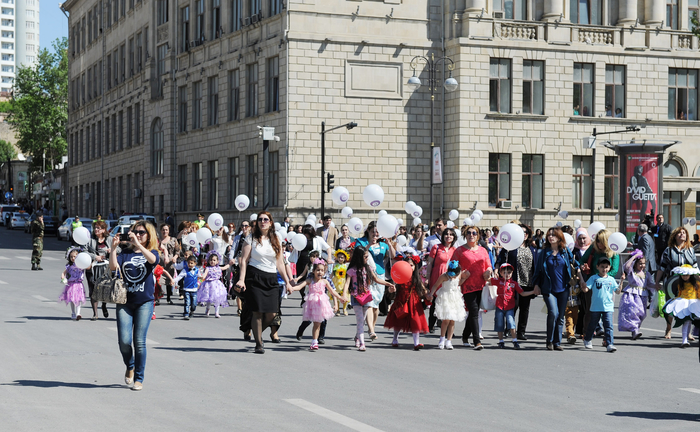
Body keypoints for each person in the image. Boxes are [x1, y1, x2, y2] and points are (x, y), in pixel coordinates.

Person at [109, 220, 160, 391]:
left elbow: (153, 260)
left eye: (142, 232)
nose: (138, 235)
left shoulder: (152, 251)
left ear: (148, 235)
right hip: (124, 301)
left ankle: (139, 378)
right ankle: (129, 365)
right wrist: (113, 248)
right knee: (124, 341)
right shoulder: (125, 252)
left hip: (145, 302)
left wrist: (138, 244)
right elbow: (113, 268)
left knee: (139, 341)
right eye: (135, 232)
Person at [234, 211, 293, 354]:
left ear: (271, 222)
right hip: (255, 276)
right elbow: (244, 261)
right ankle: (259, 343)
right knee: (258, 312)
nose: (263, 221)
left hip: (271, 278)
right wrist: (241, 279)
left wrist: (287, 282)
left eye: (266, 219)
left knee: (272, 313)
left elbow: (280, 263)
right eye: (260, 219)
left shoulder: (276, 238)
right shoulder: (251, 238)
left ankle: (253, 329)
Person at [533, 227, 581, 351]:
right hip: (548, 288)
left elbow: (575, 263)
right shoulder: (544, 252)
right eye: (549, 235)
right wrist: (536, 284)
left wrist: (581, 272)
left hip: (563, 288)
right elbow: (538, 270)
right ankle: (549, 340)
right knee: (553, 313)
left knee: (560, 316)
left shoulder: (564, 251)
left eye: (553, 235)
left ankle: (557, 342)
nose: (550, 237)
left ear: (559, 237)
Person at [342, 246, 395, 351]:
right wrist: (344, 295)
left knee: (362, 321)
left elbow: (376, 279)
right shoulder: (352, 270)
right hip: (356, 297)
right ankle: (362, 343)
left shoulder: (368, 268)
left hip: (367, 297)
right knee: (360, 320)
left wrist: (388, 284)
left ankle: (357, 337)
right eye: (365, 257)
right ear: (359, 257)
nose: (367, 259)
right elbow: (347, 283)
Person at [289, 259, 343, 351]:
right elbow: (300, 286)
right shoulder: (310, 280)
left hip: (321, 304)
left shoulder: (325, 281)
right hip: (312, 304)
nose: (320, 272)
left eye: (322, 270)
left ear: (324, 272)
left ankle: (315, 342)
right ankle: (313, 340)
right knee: (312, 323)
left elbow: (332, 291)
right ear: (313, 271)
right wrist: (292, 288)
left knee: (317, 324)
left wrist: (340, 298)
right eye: (318, 270)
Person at [354, 221, 396, 337]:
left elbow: (393, 256)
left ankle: (370, 327)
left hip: (380, 275)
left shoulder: (383, 244)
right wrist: (369, 246)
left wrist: (389, 243)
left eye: (377, 232)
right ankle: (372, 330)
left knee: (376, 304)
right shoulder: (361, 242)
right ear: (368, 231)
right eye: (373, 232)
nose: (375, 234)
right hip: (366, 274)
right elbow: (358, 254)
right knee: (370, 303)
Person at [497, 224, 538, 341]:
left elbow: (536, 265)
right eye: (521, 232)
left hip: (528, 282)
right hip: (514, 282)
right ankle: (509, 329)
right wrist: (497, 268)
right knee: (513, 306)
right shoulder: (511, 247)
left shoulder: (532, 248)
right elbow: (500, 259)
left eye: (526, 232)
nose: (524, 234)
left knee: (525, 308)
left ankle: (521, 332)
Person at [656, 227, 698, 339]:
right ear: (675, 236)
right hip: (672, 282)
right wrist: (657, 282)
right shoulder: (668, 250)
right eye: (679, 233)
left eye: (684, 233)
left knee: (688, 306)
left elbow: (695, 267)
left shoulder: (690, 250)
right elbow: (662, 267)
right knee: (671, 305)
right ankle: (668, 329)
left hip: (688, 283)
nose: (682, 234)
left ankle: (687, 332)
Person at [454, 225, 492, 349]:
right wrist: (462, 274)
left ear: (478, 236)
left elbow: (488, 265)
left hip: (481, 284)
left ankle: (465, 335)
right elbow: (452, 268)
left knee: (473, 313)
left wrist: (488, 271)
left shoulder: (483, 250)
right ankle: (477, 341)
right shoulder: (459, 250)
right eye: (469, 233)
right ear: (465, 235)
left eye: (474, 233)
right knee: (474, 310)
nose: (472, 235)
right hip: (467, 285)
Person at [579, 229, 619, 342]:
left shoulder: (613, 252)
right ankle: (586, 334)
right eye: (597, 241)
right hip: (592, 283)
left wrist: (603, 277)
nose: (598, 244)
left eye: (600, 241)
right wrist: (583, 266)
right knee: (589, 311)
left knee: (607, 313)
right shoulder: (593, 248)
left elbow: (614, 270)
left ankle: (607, 339)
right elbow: (582, 260)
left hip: (607, 285)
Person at [384, 253, 429, 349]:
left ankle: (416, 343)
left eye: (411, 265)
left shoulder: (416, 278)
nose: (409, 267)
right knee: (398, 321)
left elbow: (423, 289)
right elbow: (392, 289)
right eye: (407, 265)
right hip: (401, 301)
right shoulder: (399, 277)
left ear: (415, 267)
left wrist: (428, 295)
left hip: (414, 302)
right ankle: (395, 339)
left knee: (415, 321)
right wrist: (391, 290)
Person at [490, 263, 535, 349]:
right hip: (499, 306)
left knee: (511, 322)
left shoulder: (514, 283)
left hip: (509, 307)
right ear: (501, 273)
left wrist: (532, 292)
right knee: (499, 323)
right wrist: (489, 272)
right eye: (505, 272)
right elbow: (488, 280)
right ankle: (501, 341)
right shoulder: (498, 281)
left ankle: (514, 340)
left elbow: (522, 293)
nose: (507, 274)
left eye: (509, 272)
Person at [582, 257, 620, 352]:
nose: (604, 269)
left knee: (608, 325)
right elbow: (586, 289)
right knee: (593, 324)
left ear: (609, 267)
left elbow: (618, 291)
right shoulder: (594, 278)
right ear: (597, 267)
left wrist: (622, 280)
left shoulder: (611, 279)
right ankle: (587, 339)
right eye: (602, 267)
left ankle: (610, 344)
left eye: (606, 267)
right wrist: (583, 286)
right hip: (596, 307)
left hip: (608, 307)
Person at [428, 260, 467, 350]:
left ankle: (449, 341)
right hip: (445, 297)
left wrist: (464, 278)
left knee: (452, 320)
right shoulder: (444, 276)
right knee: (446, 320)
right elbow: (435, 285)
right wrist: (431, 294)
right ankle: (442, 339)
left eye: (455, 274)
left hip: (455, 297)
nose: (453, 276)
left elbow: (458, 283)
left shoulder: (459, 274)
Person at [425, 227, 457, 332]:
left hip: (449, 279)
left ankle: (446, 326)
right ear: (443, 236)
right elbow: (429, 263)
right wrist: (427, 277)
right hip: (436, 276)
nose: (448, 236)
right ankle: (431, 325)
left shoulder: (455, 250)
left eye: (451, 234)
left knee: (447, 301)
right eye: (446, 234)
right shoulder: (436, 247)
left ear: (454, 237)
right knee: (435, 300)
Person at [619, 250, 656, 340]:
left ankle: (636, 330)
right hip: (632, 294)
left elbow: (649, 284)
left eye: (643, 263)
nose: (642, 265)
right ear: (635, 263)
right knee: (634, 312)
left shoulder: (646, 274)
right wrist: (634, 257)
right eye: (640, 263)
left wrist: (655, 286)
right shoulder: (632, 272)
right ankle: (635, 330)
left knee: (642, 314)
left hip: (642, 295)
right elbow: (627, 266)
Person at [663, 265, 700, 347]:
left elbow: (699, 294)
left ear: (690, 275)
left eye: (686, 275)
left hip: (693, 304)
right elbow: (679, 294)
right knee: (686, 321)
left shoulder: (696, 284)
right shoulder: (680, 284)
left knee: (689, 322)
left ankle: (686, 338)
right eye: (683, 275)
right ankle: (684, 341)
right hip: (684, 304)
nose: (685, 277)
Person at [86, 221, 113, 320]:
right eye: (95, 228)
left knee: (105, 288)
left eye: (98, 228)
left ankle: (104, 305)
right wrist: (95, 256)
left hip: (105, 268)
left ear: (103, 229)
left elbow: (119, 249)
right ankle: (95, 313)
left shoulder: (109, 239)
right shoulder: (90, 240)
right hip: (92, 267)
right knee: (92, 290)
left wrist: (112, 250)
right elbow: (84, 251)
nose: (96, 230)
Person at [197, 251, 230, 318]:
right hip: (209, 285)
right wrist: (201, 277)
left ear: (217, 261)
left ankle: (216, 312)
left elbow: (225, 267)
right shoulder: (208, 268)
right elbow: (204, 275)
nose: (212, 261)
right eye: (211, 260)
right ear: (208, 261)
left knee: (217, 298)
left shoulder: (219, 268)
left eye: (214, 260)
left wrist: (230, 263)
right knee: (209, 299)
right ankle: (207, 309)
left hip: (217, 285)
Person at [59, 247, 88, 320]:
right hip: (71, 284)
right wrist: (63, 278)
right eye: (71, 257)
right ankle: (73, 312)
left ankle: (78, 313)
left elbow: (87, 266)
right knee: (72, 299)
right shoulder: (69, 266)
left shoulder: (81, 265)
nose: (73, 258)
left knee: (78, 299)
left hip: (78, 284)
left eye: (75, 256)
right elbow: (63, 273)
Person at [172, 255, 199, 319]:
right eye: (188, 263)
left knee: (194, 303)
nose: (190, 264)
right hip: (187, 289)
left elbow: (200, 277)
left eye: (191, 263)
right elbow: (179, 277)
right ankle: (186, 314)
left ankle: (192, 311)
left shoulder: (197, 270)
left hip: (194, 289)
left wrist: (199, 283)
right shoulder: (185, 270)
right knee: (187, 302)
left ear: (195, 263)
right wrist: (173, 280)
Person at [158, 223, 179, 305]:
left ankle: (168, 297)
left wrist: (175, 257)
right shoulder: (158, 241)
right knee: (158, 281)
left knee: (169, 281)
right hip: (160, 263)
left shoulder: (173, 240)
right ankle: (158, 297)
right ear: (161, 231)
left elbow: (178, 251)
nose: (165, 231)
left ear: (168, 231)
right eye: (163, 230)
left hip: (170, 264)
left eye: (166, 230)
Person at [331, 249, 350, 315]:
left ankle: (344, 308)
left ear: (345, 258)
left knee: (344, 295)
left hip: (343, 282)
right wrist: (329, 279)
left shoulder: (346, 265)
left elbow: (348, 274)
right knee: (337, 295)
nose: (340, 259)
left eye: (342, 257)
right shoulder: (335, 265)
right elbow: (332, 273)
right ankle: (338, 309)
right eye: (339, 257)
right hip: (336, 282)